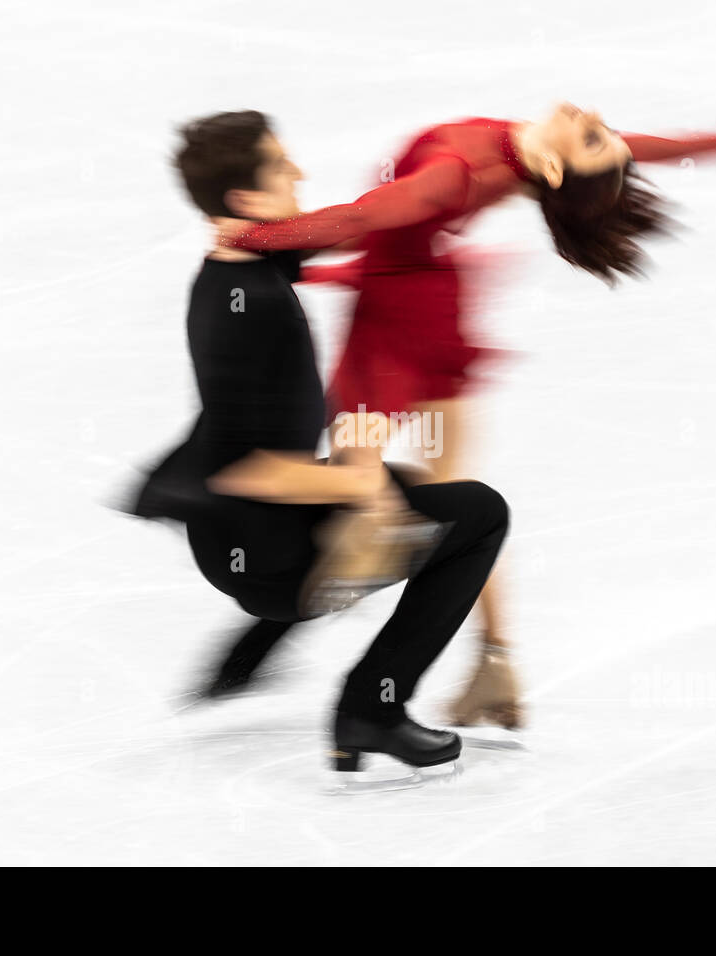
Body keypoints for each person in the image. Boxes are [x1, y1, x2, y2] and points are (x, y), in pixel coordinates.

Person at [222, 103, 716, 729]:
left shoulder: (454, 173)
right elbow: (650, 144)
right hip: (426, 301)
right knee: (439, 502)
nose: (593, 116)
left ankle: (279, 651)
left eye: (591, 136)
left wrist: (248, 239)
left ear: (552, 167)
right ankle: (493, 663)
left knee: (367, 505)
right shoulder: (532, 158)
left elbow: (362, 217)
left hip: (396, 327)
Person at [129, 110, 509, 775]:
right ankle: (372, 707)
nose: (299, 171)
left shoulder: (247, 263)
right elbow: (247, 469)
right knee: (476, 516)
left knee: (411, 488)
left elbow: (354, 226)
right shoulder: (250, 306)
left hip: (249, 538)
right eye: (281, 165)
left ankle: (245, 660)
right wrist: (359, 487)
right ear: (247, 199)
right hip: (270, 550)